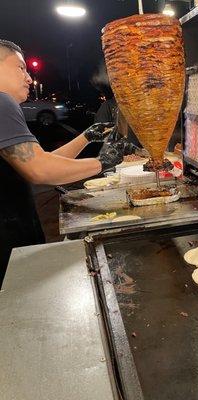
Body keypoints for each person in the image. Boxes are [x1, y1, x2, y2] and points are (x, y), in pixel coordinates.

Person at [0, 40, 125, 287]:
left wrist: (87, 136)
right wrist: (104, 161)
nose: (28, 78)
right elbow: (40, 170)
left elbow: (42, 159)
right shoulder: (2, 103)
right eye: (21, 68)